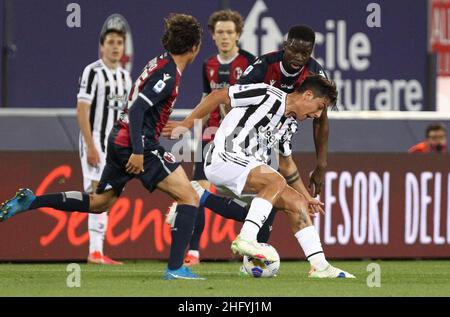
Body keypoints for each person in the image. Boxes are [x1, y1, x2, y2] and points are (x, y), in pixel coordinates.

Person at [0, 13, 205, 280]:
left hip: (119, 140)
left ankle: (31, 201)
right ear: (194, 48)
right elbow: (138, 108)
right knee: (189, 196)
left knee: (99, 203)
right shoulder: (167, 74)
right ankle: (176, 268)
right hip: (137, 144)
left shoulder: (161, 63)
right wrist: (139, 152)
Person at [165, 75, 355, 278]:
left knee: (295, 202)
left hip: (248, 168)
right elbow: (219, 95)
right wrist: (186, 125)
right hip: (222, 157)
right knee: (275, 181)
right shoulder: (266, 94)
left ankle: (320, 266)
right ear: (308, 95)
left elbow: (286, 164)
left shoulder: (289, 124)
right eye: (319, 106)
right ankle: (246, 238)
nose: (318, 115)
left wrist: (306, 196)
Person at [182, 9, 256, 267]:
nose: (225, 37)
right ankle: (193, 252)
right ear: (213, 36)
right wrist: (195, 138)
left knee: (246, 195)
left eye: (230, 32)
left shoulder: (250, 63)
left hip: (239, 139)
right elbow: (206, 100)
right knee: (197, 189)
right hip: (210, 138)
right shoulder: (208, 65)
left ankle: (251, 243)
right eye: (220, 32)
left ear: (238, 35)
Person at [77, 27, 132, 265]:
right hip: (95, 143)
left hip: (114, 147)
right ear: (102, 46)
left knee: (107, 195)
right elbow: (82, 110)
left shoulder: (124, 77)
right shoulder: (92, 72)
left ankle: (97, 251)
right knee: (97, 194)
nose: (115, 46)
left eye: (119, 42)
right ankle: (95, 251)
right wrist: (90, 147)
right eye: (110, 42)